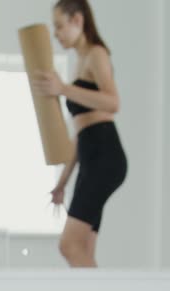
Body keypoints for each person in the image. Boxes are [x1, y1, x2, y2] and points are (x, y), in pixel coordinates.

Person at [31, 0, 127, 269]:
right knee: (83, 251)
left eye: (60, 26)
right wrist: (62, 182)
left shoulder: (97, 54)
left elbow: (113, 103)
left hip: (105, 157)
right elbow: (80, 133)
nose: (56, 34)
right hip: (90, 157)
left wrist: (62, 89)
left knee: (68, 245)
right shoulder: (79, 64)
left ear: (78, 21)